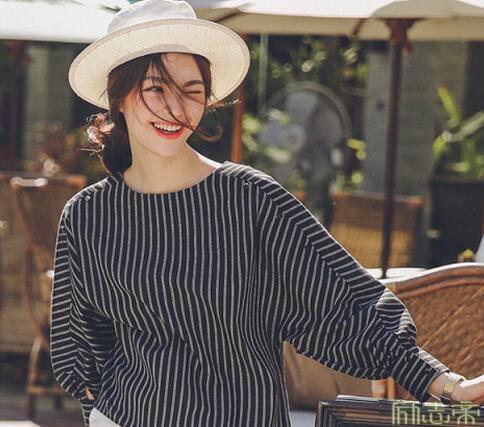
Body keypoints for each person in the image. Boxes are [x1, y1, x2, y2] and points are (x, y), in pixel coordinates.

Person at [49, 1, 484, 426]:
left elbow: (347, 303)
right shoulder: (87, 216)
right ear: (119, 96)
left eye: (192, 91)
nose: (175, 109)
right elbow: (80, 354)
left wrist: (447, 385)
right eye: (156, 89)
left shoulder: (251, 199)